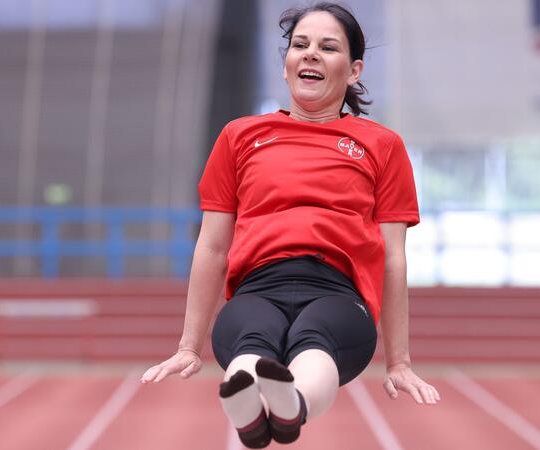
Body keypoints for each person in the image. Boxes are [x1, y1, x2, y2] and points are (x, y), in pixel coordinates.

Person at [141, 3, 440, 448]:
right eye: (300, 45)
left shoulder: (382, 145)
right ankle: (247, 403)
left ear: (354, 70)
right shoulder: (239, 137)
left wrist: (399, 360)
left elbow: (393, 257)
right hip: (257, 287)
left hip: (339, 292)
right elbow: (212, 248)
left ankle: (290, 405)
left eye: (327, 47)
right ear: (285, 67)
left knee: (315, 338)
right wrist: (189, 345)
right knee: (251, 338)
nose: (311, 54)